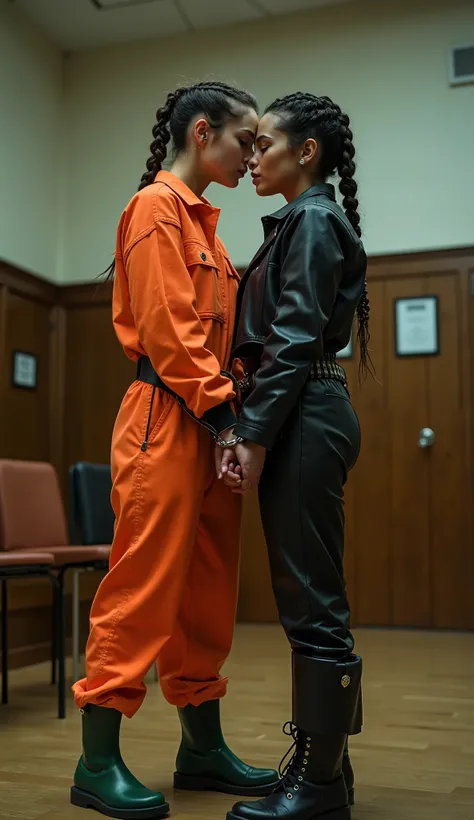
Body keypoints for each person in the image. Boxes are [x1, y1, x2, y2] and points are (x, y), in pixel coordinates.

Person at [70, 81, 279, 820]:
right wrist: (226, 415)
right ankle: (96, 761)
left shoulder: (211, 231)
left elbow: (218, 337)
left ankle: (201, 750)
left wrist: (238, 409)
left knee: (207, 589)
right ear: (201, 132)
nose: (253, 154)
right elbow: (168, 330)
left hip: (213, 420)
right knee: (144, 584)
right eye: (244, 139)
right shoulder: (155, 209)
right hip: (167, 415)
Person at [219, 93, 370, 820]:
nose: (253, 158)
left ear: (305, 152)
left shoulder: (311, 218)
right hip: (307, 410)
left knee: (313, 607)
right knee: (309, 601)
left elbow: (293, 336)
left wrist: (250, 434)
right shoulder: (306, 219)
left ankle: (316, 787)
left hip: (303, 413)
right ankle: (327, 776)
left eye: (265, 144)